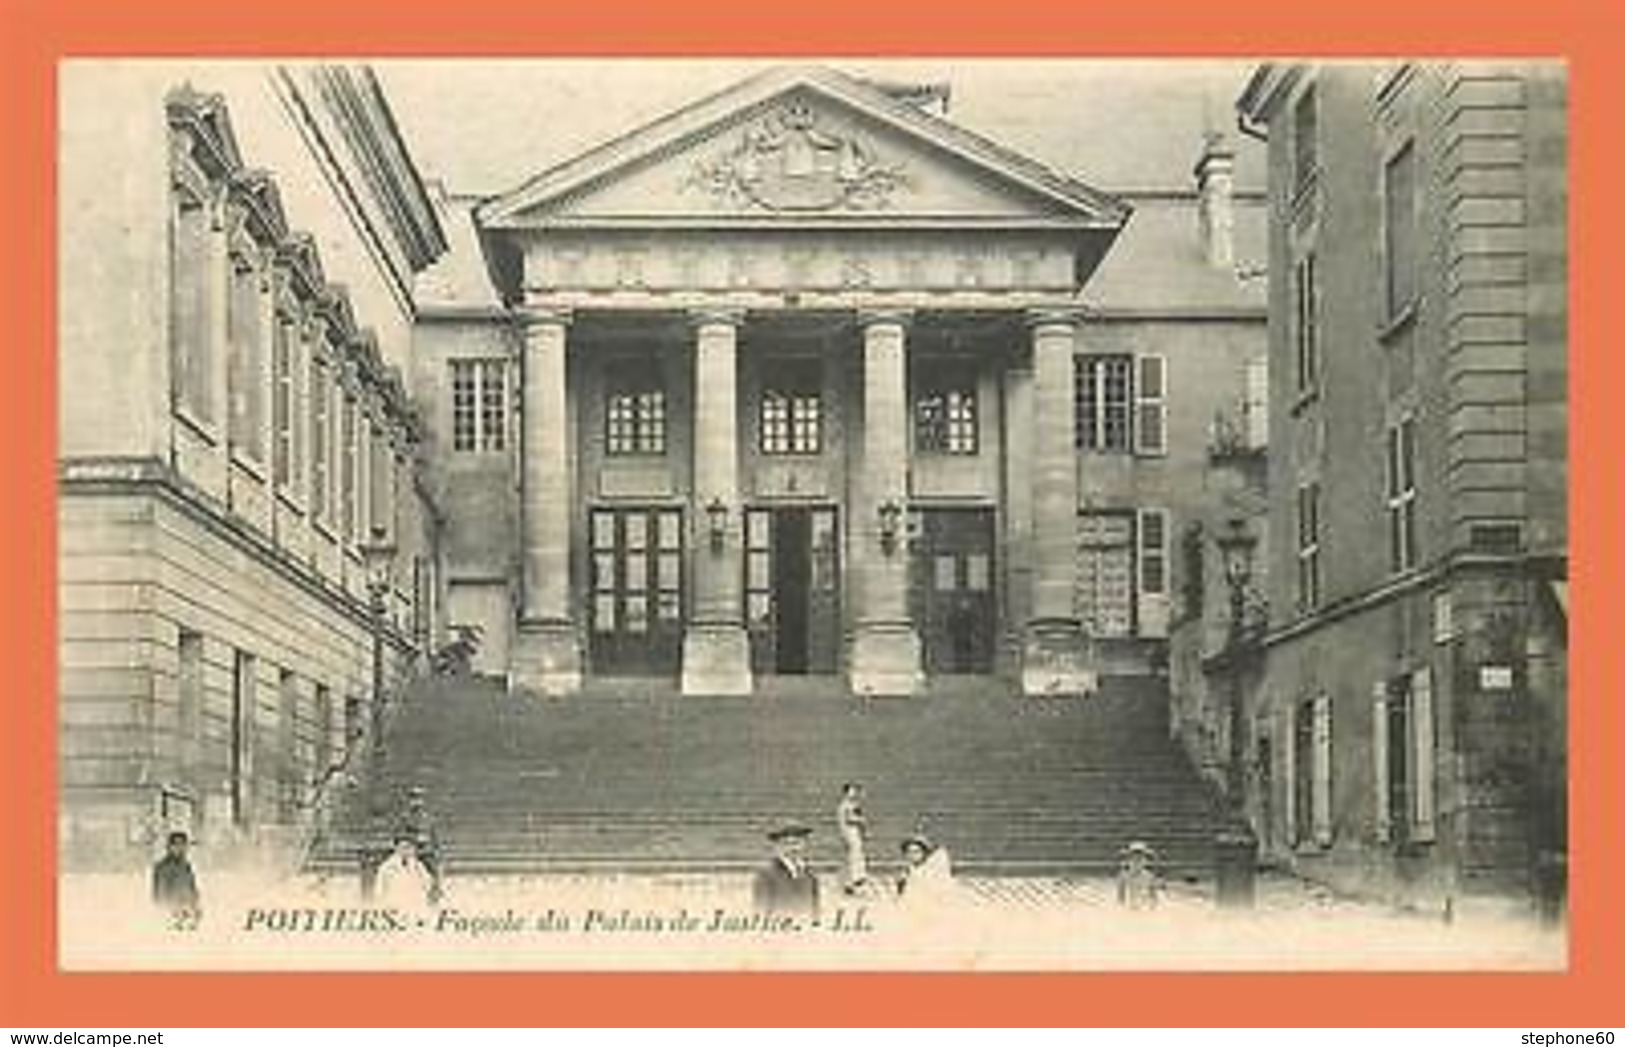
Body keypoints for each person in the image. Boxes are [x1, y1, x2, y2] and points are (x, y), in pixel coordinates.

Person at [751, 820, 820, 919]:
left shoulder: (811, 876)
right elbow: (760, 914)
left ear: (805, 845)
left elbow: (815, 914)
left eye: (797, 843)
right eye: (787, 844)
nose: (793, 849)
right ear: (777, 847)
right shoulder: (766, 875)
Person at [151, 830, 201, 928]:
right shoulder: (163, 867)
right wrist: (171, 912)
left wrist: (195, 907)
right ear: (169, 847)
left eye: (183, 845)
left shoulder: (186, 866)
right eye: (176, 845)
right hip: (171, 916)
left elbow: (193, 889)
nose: (180, 848)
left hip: (187, 914)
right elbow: (160, 894)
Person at [374, 833, 435, 912]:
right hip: (394, 907)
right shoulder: (386, 868)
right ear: (396, 848)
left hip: (416, 906)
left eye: (409, 847)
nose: (406, 851)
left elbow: (428, 884)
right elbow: (379, 892)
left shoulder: (418, 866)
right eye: (403, 847)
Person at [895, 831, 954, 905]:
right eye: (909, 852)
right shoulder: (906, 873)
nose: (912, 855)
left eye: (916, 852)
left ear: (924, 853)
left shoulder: (933, 869)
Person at [834, 783, 870, 895]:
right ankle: (853, 881)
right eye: (851, 791)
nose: (853, 793)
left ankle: (852, 881)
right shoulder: (844, 805)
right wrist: (860, 820)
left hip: (855, 832)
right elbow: (846, 819)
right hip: (849, 832)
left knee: (856, 855)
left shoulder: (853, 804)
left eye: (854, 791)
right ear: (846, 792)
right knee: (853, 856)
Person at [1115, 840, 1163, 910]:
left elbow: (1154, 899)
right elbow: (1120, 899)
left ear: (1144, 859)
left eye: (1140, 856)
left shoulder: (1149, 877)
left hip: (1144, 911)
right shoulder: (1123, 876)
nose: (1137, 858)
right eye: (1134, 856)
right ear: (1130, 859)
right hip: (1128, 911)